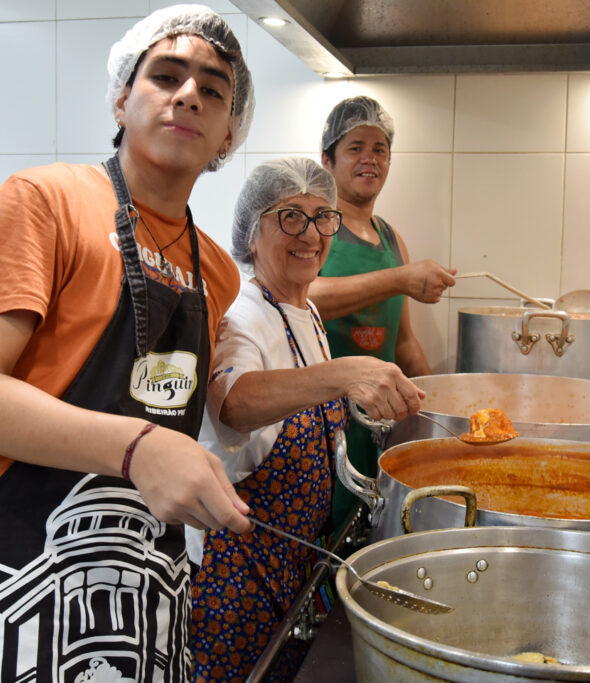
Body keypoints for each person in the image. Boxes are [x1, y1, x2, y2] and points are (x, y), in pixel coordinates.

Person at [0, 7, 255, 681]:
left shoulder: (215, 269)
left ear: (228, 135)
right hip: (14, 578)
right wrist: (138, 449)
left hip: (147, 588)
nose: (188, 93)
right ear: (124, 98)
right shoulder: (46, 202)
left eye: (213, 89)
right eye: (165, 75)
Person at [188, 157, 423, 682]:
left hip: (289, 564)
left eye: (323, 217)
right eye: (290, 217)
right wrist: (342, 374)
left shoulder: (304, 310)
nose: (311, 234)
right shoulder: (240, 314)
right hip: (236, 573)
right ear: (252, 235)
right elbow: (234, 402)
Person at [307, 96, 457, 528]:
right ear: (327, 160)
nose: (369, 159)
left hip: (379, 430)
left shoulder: (391, 238)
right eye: (355, 148)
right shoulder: (314, 226)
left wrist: (437, 412)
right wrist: (399, 279)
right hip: (323, 426)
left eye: (380, 149)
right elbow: (303, 297)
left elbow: (404, 343)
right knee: (323, 544)